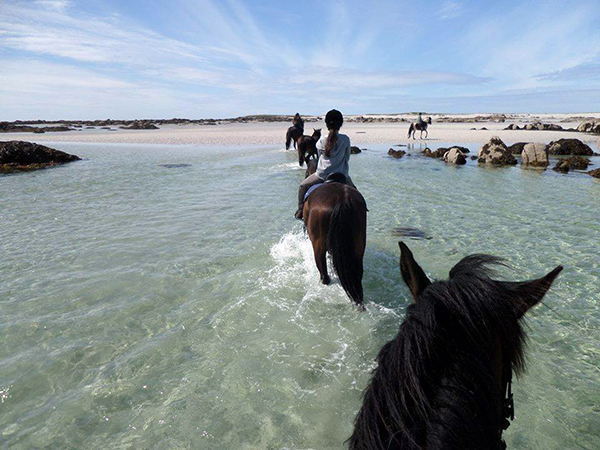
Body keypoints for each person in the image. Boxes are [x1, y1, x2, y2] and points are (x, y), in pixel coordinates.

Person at [294, 109, 355, 220]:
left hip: (322, 175)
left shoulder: (321, 140)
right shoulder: (346, 139)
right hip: (342, 175)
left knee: (303, 186)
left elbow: (319, 158)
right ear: (340, 124)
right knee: (356, 193)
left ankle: (300, 210)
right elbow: (347, 158)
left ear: (327, 125)